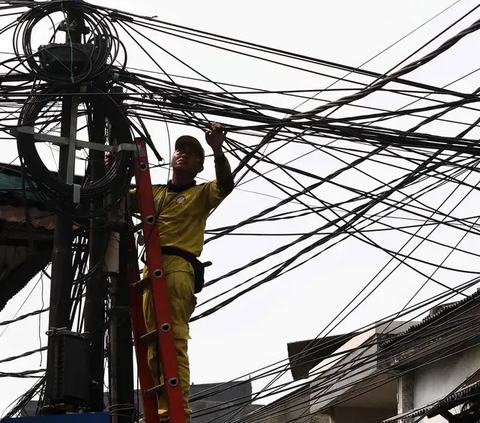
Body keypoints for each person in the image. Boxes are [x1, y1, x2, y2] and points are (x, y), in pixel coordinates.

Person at [128, 122, 234, 422]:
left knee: (172, 341)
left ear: (200, 165)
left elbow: (225, 184)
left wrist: (216, 149)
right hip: (150, 270)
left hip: (177, 267)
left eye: (192, 153)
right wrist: (111, 166)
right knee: (152, 347)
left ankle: (178, 413)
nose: (183, 155)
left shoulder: (201, 193)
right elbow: (118, 198)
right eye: (180, 150)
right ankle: (162, 414)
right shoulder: (154, 193)